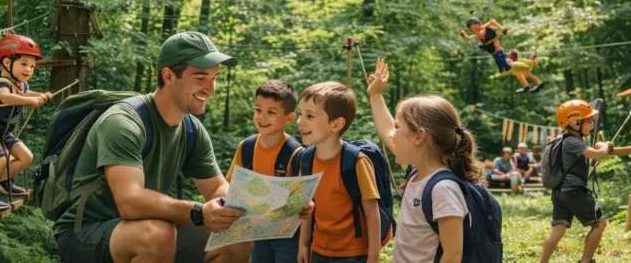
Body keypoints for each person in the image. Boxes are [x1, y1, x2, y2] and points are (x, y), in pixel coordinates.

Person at [53, 31, 306, 263]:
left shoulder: (192, 129)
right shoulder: (124, 122)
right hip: (85, 233)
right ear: (168, 75)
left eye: (213, 78)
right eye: (200, 77)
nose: (210, 88)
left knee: (234, 237)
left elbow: (218, 188)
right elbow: (130, 201)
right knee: (157, 234)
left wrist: (276, 205)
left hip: (146, 227)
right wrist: (198, 212)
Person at [368, 57, 479, 263]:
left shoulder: (442, 189)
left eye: (398, 127)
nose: (393, 134)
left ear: (419, 136)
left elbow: (453, 255)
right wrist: (375, 95)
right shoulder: (417, 171)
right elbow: (387, 131)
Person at [539, 100, 631, 263]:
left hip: (560, 193)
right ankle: (586, 261)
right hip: (574, 192)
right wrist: (604, 145)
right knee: (599, 224)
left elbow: (606, 152)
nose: (592, 124)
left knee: (558, 230)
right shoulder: (571, 142)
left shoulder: (565, 140)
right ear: (575, 123)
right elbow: (600, 154)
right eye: (588, 121)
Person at [295, 82, 385, 263]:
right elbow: (306, 206)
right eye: (300, 114)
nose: (300, 121)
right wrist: (303, 245)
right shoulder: (306, 160)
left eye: (310, 116)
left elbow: (372, 211)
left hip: (354, 253)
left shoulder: (356, 161)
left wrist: (373, 257)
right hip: (319, 250)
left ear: (336, 125)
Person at [0, 34, 51, 211]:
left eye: (32, 66)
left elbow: (24, 94)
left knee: (26, 157)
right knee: (0, 159)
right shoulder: (1, 82)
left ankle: (4, 182)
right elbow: (5, 97)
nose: (28, 70)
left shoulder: (21, 84)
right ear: (7, 63)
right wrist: (31, 101)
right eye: (24, 64)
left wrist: (40, 95)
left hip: (1, 131)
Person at [225, 79, 303, 263]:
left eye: (271, 112)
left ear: (289, 118)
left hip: (288, 234)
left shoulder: (296, 152)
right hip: (257, 230)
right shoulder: (246, 147)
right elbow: (231, 187)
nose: (262, 117)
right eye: (258, 110)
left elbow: (302, 198)